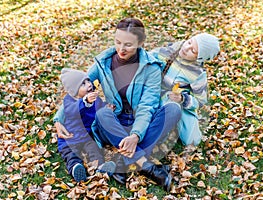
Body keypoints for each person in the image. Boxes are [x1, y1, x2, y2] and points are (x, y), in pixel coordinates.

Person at [54, 18, 181, 191]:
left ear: (141, 43)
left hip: (141, 123)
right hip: (113, 123)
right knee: (101, 114)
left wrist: (135, 135)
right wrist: (58, 119)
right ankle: (147, 166)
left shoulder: (151, 68)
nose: (121, 49)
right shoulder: (103, 63)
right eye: (118, 42)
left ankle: (123, 160)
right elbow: (77, 90)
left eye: (128, 44)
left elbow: (146, 107)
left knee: (173, 109)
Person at [151, 33, 220, 146]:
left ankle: (175, 123)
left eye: (193, 51)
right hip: (154, 93)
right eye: (189, 42)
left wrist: (184, 98)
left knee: (192, 140)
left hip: (178, 101)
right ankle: (158, 131)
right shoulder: (167, 51)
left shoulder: (197, 73)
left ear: (199, 58)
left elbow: (200, 101)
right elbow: (144, 59)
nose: (186, 48)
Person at [55, 68, 116, 182]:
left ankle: (100, 167)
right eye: (83, 84)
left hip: (87, 135)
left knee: (94, 149)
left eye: (88, 81)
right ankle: (75, 168)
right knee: (71, 153)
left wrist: (106, 108)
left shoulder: (94, 98)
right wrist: (85, 101)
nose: (89, 84)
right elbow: (72, 111)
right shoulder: (69, 101)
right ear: (74, 91)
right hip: (71, 137)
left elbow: (99, 107)